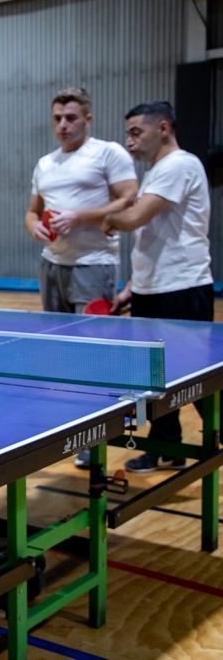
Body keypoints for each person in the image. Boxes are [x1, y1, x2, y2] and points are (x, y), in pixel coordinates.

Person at [23, 87, 138, 470]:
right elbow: (32, 211)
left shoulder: (108, 153)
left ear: (87, 119)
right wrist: (33, 227)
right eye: (57, 118)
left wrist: (80, 216)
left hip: (93, 266)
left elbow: (129, 197)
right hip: (51, 265)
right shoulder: (45, 163)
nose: (63, 125)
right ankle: (69, 426)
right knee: (60, 353)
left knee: (94, 354)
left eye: (71, 117)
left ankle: (96, 437)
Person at [101, 101, 214, 474]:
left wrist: (107, 218)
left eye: (137, 133)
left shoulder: (179, 165)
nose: (129, 142)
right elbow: (152, 237)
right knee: (155, 380)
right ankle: (168, 449)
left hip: (181, 290)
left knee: (197, 378)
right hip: (154, 290)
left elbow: (134, 219)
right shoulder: (158, 173)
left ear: (162, 128)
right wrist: (133, 288)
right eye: (128, 133)